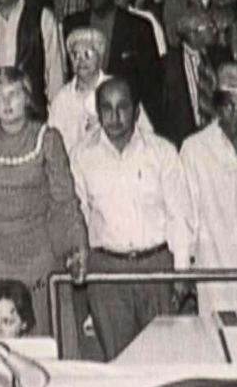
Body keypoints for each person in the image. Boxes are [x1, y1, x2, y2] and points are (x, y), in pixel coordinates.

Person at [0, 67, 87, 336]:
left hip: (37, 257)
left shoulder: (48, 139)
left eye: (13, 94)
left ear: (27, 98)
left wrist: (76, 247)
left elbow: (64, 201)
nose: (6, 102)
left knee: (41, 336)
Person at [70, 77, 194, 361]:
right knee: (121, 362)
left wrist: (182, 271)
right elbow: (79, 217)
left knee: (164, 360)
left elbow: (180, 213)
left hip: (157, 269)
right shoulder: (81, 156)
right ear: (98, 112)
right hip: (108, 273)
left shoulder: (162, 152)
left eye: (122, 107)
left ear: (137, 111)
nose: (114, 117)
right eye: (107, 108)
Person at [181, 64, 237, 341]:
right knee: (221, 347)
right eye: (230, 106)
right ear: (218, 106)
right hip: (216, 267)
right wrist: (185, 270)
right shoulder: (195, 149)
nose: (236, 114)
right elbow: (186, 217)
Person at [63, 0, 162, 127]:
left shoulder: (138, 27)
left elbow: (151, 84)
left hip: (124, 116)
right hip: (82, 116)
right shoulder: (73, 24)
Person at [49, 27, 153, 156]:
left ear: (100, 57)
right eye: (75, 55)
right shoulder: (61, 99)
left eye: (87, 54)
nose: (80, 60)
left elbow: (147, 134)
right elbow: (52, 144)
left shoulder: (118, 89)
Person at [159, 8, 233, 149]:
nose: (215, 30)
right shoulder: (167, 64)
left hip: (219, 140)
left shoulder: (223, 57)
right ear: (192, 33)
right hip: (184, 143)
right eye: (209, 27)